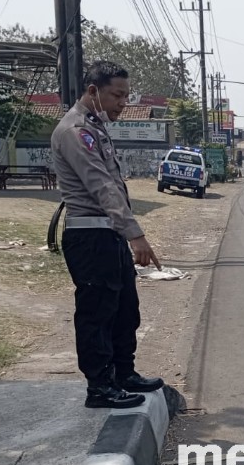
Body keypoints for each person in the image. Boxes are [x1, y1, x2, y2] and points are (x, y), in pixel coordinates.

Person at [50, 61, 164, 409]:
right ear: (92, 91)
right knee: (97, 312)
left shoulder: (95, 128)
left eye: (126, 95)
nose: (122, 103)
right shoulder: (75, 131)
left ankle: (122, 373)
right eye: (117, 94)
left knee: (125, 308)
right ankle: (99, 386)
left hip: (108, 235)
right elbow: (102, 188)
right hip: (90, 238)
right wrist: (136, 234)